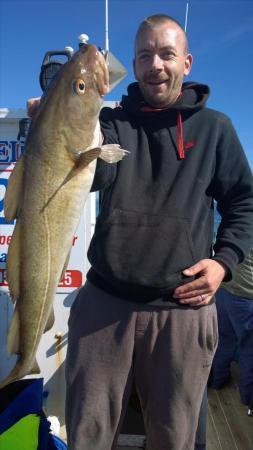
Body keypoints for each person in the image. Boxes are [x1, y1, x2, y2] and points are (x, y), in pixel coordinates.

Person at [29, 14, 253, 450]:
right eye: (146, 55)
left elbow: (244, 202)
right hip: (103, 306)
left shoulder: (216, 129)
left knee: (175, 436)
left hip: (183, 312)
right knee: (88, 432)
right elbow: (83, 172)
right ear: (133, 65)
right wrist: (52, 124)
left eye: (167, 54)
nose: (157, 65)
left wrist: (224, 264)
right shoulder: (113, 124)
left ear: (186, 62)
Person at [210, 248, 253, 407]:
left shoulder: (235, 226)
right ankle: (248, 397)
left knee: (223, 341)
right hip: (247, 297)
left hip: (223, 289)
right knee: (249, 350)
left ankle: (217, 380)